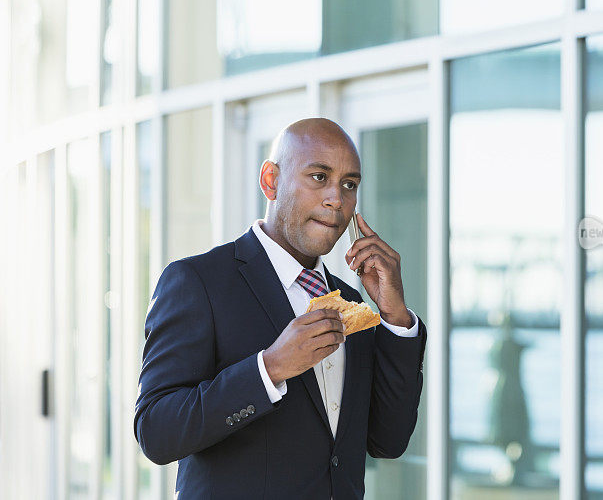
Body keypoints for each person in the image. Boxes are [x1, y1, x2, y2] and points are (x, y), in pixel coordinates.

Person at [134, 118, 427, 499]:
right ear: (271, 181)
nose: (336, 198)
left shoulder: (353, 305)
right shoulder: (197, 282)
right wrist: (269, 368)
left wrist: (396, 317)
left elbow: (388, 442)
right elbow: (156, 432)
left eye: (349, 184)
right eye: (319, 177)